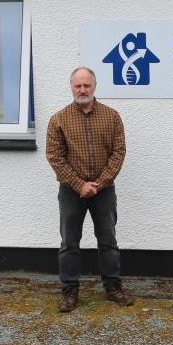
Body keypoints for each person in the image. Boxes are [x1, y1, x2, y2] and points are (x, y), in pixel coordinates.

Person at [46, 66, 133, 312]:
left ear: (94, 86)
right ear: (71, 87)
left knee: (108, 241)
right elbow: (54, 156)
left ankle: (113, 288)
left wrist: (99, 183)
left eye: (87, 85)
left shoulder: (112, 116)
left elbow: (119, 153)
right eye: (78, 85)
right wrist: (79, 185)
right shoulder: (58, 119)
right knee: (69, 242)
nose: (82, 90)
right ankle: (70, 291)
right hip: (70, 192)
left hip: (103, 191)